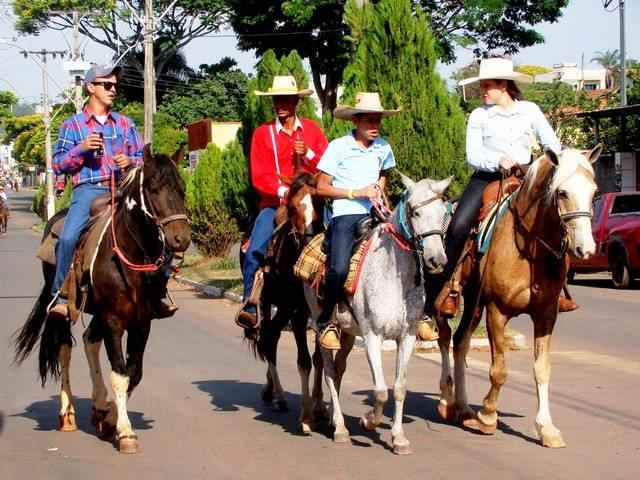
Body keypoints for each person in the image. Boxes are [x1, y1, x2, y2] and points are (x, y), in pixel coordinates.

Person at [418, 57, 575, 340]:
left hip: (526, 177)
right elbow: (472, 154)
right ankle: (442, 295)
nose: (483, 91)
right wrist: (498, 160)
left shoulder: (530, 111)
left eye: (487, 86)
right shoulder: (479, 116)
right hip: (487, 178)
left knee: (557, 219)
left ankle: (558, 290)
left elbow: (552, 144)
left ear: (504, 85)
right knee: (458, 226)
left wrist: (552, 162)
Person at [47, 64, 146, 321]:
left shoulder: (126, 123)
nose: (113, 89)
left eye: (114, 85)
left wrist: (131, 162)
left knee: (157, 226)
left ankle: (159, 289)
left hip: (124, 188)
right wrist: (80, 149)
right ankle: (60, 295)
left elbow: (142, 158)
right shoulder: (73, 125)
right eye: (107, 85)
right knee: (68, 238)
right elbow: (57, 164)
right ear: (91, 88)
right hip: (88, 191)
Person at [236, 76, 329, 329]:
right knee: (255, 249)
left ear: (296, 101)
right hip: (274, 203)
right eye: (277, 99)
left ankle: (334, 303)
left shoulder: (311, 130)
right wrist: (283, 193)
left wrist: (307, 153)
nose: (280, 104)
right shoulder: (262, 134)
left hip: (310, 201)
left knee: (336, 239)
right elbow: (259, 174)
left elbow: (327, 164)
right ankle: (250, 305)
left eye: (286, 99)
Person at [314, 92, 400, 350]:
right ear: (356, 121)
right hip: (346, 212)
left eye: (378, 120)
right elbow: (321, 187)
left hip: (377, 211)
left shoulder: (384, 147)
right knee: (339, 268)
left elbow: (383, 173)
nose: (374, 126)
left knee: (411, 251)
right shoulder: (338, 147)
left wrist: (378, 188)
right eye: (369, 121)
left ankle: (419, 313)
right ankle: (325, 320)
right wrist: (356, 192)